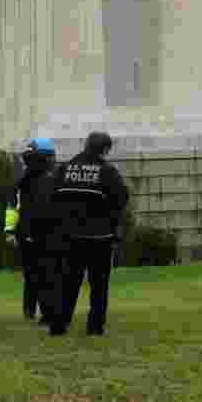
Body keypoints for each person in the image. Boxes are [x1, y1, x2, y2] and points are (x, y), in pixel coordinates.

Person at [51, 131, 129, 336]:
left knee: (66, 283)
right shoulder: (107, 170)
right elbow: (121, 198)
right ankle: (94, 327)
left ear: (85, 145)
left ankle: (59, 324)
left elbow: (52, 198)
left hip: (68, 236)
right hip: (99, 237)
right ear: (105, 150)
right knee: (99, 286)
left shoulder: (64, 168)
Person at [14, 138, 56, 322]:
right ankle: (46, 311)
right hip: (42, 231)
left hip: (27, 231)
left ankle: (30, 310)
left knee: (31, 274)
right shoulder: (48, 178)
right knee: (46, 273)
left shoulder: (24, 179)